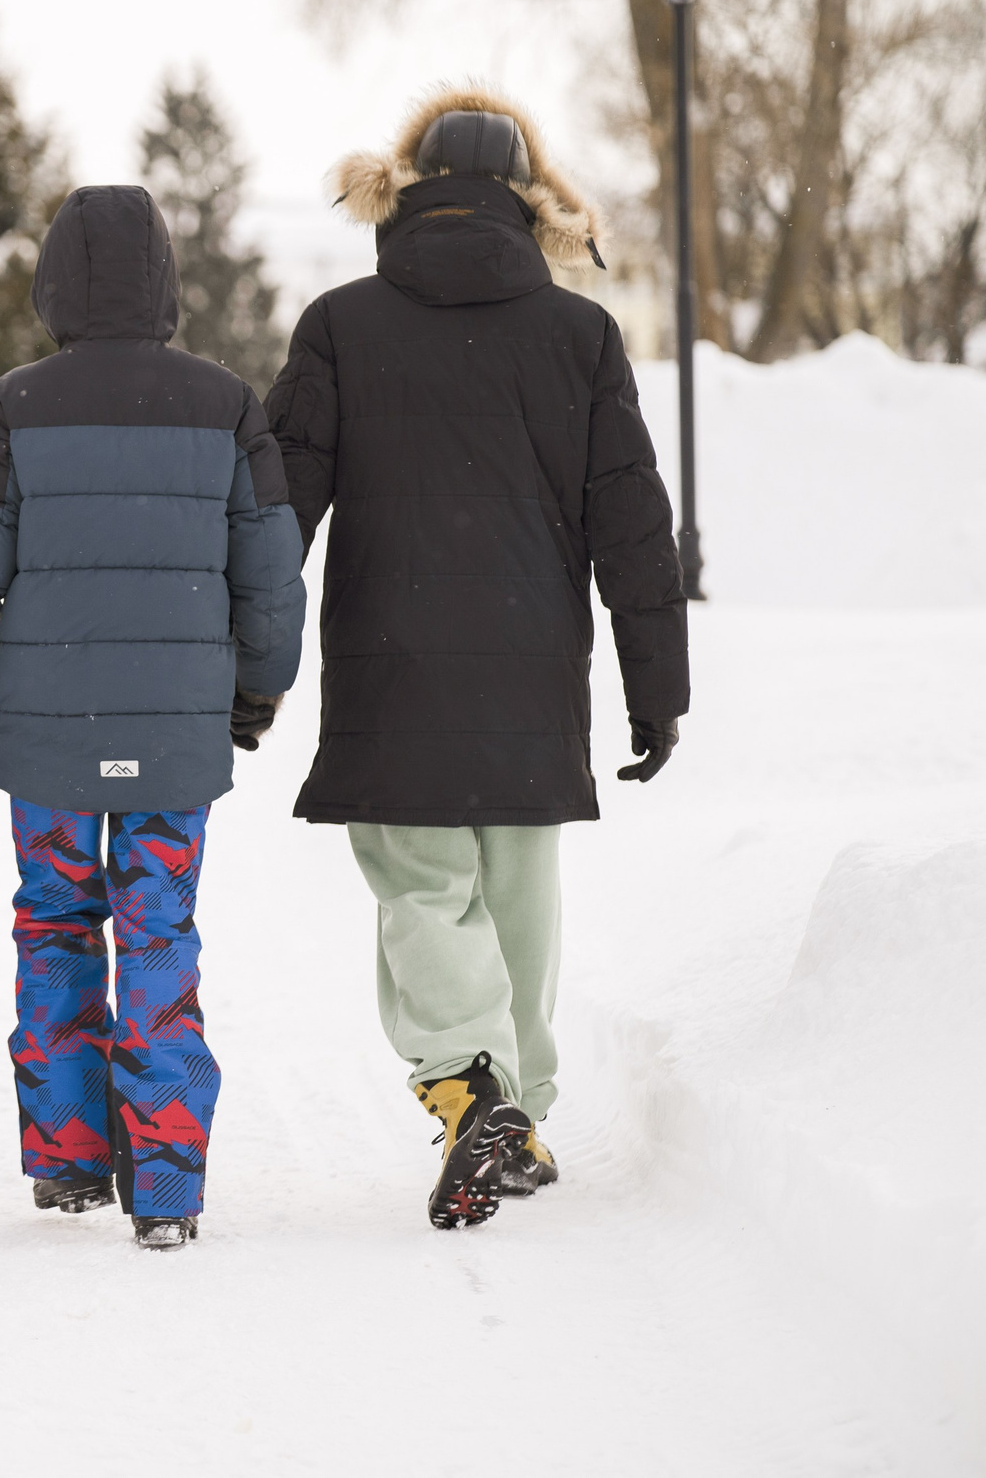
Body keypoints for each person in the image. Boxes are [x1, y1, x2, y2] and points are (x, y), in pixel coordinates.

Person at [267, 88, 689, 1230]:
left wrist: (247, 663)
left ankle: (471, 1092)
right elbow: (632, 527)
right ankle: (519, 1108)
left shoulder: (340, 324)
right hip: (530, 666)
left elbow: (275, 514)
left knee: (420, 886)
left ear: (400, 191)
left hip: (389, 663)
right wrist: (657, 690)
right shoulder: (580, 334)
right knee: (518, 894)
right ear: (531, 203)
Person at [0, 185, 308, 1251]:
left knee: (54, 926)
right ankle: (166, 1186)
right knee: (158, 931)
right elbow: (270, 570)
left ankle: (70, 1161)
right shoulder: (224, 403)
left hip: (50, 739)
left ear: (54, 284)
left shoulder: (17, 403)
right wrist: (258, 683)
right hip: (172, 740)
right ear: (163, 281)